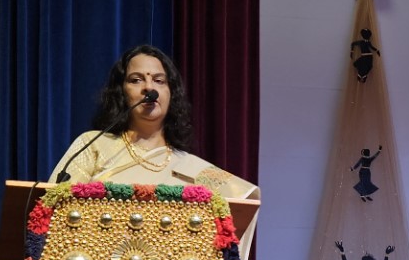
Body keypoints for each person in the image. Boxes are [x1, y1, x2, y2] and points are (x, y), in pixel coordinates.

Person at [47, 45, 259, 204]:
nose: (149, 88)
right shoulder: (94, 145)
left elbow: (244, 202)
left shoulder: (190, 166)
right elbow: (53, 205)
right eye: (136, 80)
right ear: (121, 92)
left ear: (171, 93)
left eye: (159, 80)